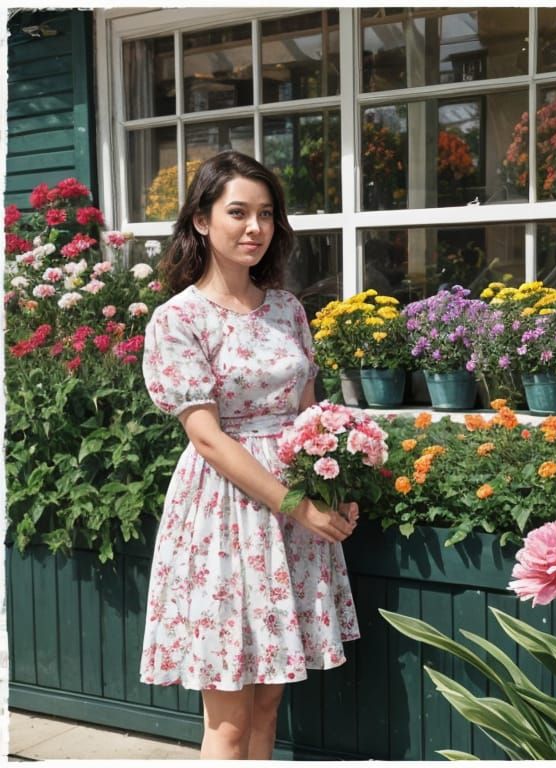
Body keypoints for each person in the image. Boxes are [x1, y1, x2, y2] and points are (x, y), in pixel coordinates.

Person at [139, 150, 360, 760]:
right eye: (237, 212)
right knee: (230, 721)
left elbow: (312, 414)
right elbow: (207, 437)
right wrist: (298, 505)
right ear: (203, 221)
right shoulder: (178, 319)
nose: (254, 228)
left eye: (265, 214)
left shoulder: (287, 309)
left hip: (293, 515)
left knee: (267, 707)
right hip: (225, 517)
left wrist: (336, 489)